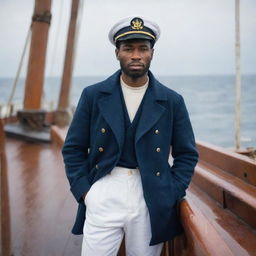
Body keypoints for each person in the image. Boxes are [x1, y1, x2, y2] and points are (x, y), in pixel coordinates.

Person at [62, 16, 198, 256]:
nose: (136, 55)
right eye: (128, 48)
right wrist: (86, 191)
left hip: (151, 193)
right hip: (104, 187)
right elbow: (73, 148)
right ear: (117, 53)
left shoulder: (172, 101)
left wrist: (171, 192)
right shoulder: (93, 95)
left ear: (152, 53)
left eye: (143, 49)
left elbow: (186, 154)